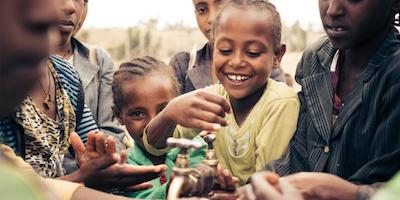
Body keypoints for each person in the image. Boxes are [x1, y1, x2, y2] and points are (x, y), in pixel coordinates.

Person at [0, 0, 166, 199]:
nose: (71, 6)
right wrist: (81, 177)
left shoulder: (65, 75)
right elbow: (18, 188)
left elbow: (94, 145)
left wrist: (102, 165)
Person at [143, 0, 300, 186]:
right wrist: (169, 113)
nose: (236, 62)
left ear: (277, 56)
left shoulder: (280, 102)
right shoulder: (212, 98)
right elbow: (154, 147)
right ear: (213, 48)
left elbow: (267, 181)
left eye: (252, 52)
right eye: (225, 50)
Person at [262, 0, 400, 199]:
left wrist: (342, 192)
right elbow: (299, 154)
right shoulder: (316, 59)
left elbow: (387, 186)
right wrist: (247, 190)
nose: (333, 9)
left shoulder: (394, 73)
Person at [111, 56, 207, 199]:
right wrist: (173, 188)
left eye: (163, 111)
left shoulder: (194, 145)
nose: (153, 122)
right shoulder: (125, 168)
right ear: (119, 116)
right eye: (138, 114)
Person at [170, 0, 286, 95]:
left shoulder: (269, 71)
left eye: (252, 52)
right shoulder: (182, 65)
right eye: (202, 9)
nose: (212, 18)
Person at [53, 0, 125, 151]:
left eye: (81, 0)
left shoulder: (98, 59)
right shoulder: (14, 64)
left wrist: (103, 160)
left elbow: (111, 134)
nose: (71, 7)